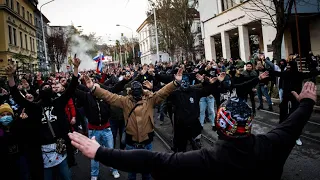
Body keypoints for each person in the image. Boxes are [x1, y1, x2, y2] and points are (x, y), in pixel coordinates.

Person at [69, 82, 317, 180]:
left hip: (140, 144)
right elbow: (291, 126)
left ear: (219, 125)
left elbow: (152, 159)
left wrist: (101, 152)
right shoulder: (273, 144)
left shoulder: (207, 160)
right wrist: (306, 103)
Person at [82, 68, 183, 180]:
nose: (137, 94)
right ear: (131, 92)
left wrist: (176, 82)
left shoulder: (150, 99)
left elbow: (163, 92)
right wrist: (93, 88)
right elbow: (109, 96)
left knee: (147, 172)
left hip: (147, 142)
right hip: (131, 143)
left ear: (142, 91)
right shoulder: (125, 101)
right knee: (132, 173)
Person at [6, 58, 80, 180]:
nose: (46, 89)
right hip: (43, 153)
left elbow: (71, 88)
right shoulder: (34, 108)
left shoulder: (58, 103)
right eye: (44, 88)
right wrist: (10, 77)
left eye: (48, 87)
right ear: (40, 92)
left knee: (66, 176)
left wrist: (76, 68)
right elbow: (17, 97)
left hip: (60, 150)